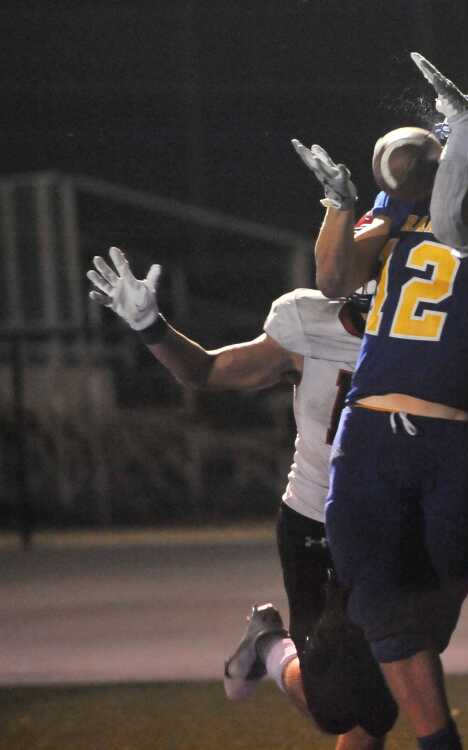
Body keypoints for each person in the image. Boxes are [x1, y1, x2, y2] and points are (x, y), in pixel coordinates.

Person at [292, 52, 468, 750]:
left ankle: (279, 655)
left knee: (420, 630)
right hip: (370, 440)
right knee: (388, 628)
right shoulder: (413, 197)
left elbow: (458, 227)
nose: (460, 135)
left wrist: (453, 148)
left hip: (451, 443)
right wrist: (339, 207)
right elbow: (333, 280)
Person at [85, 246, 397, 750]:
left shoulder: (428, 332)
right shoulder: (306, 319)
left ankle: (271, 647)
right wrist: (150, 326)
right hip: (316, 525)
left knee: (376, 705)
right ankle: (270, 644)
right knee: (338, 707)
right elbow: (206, 372)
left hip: (390, 529)